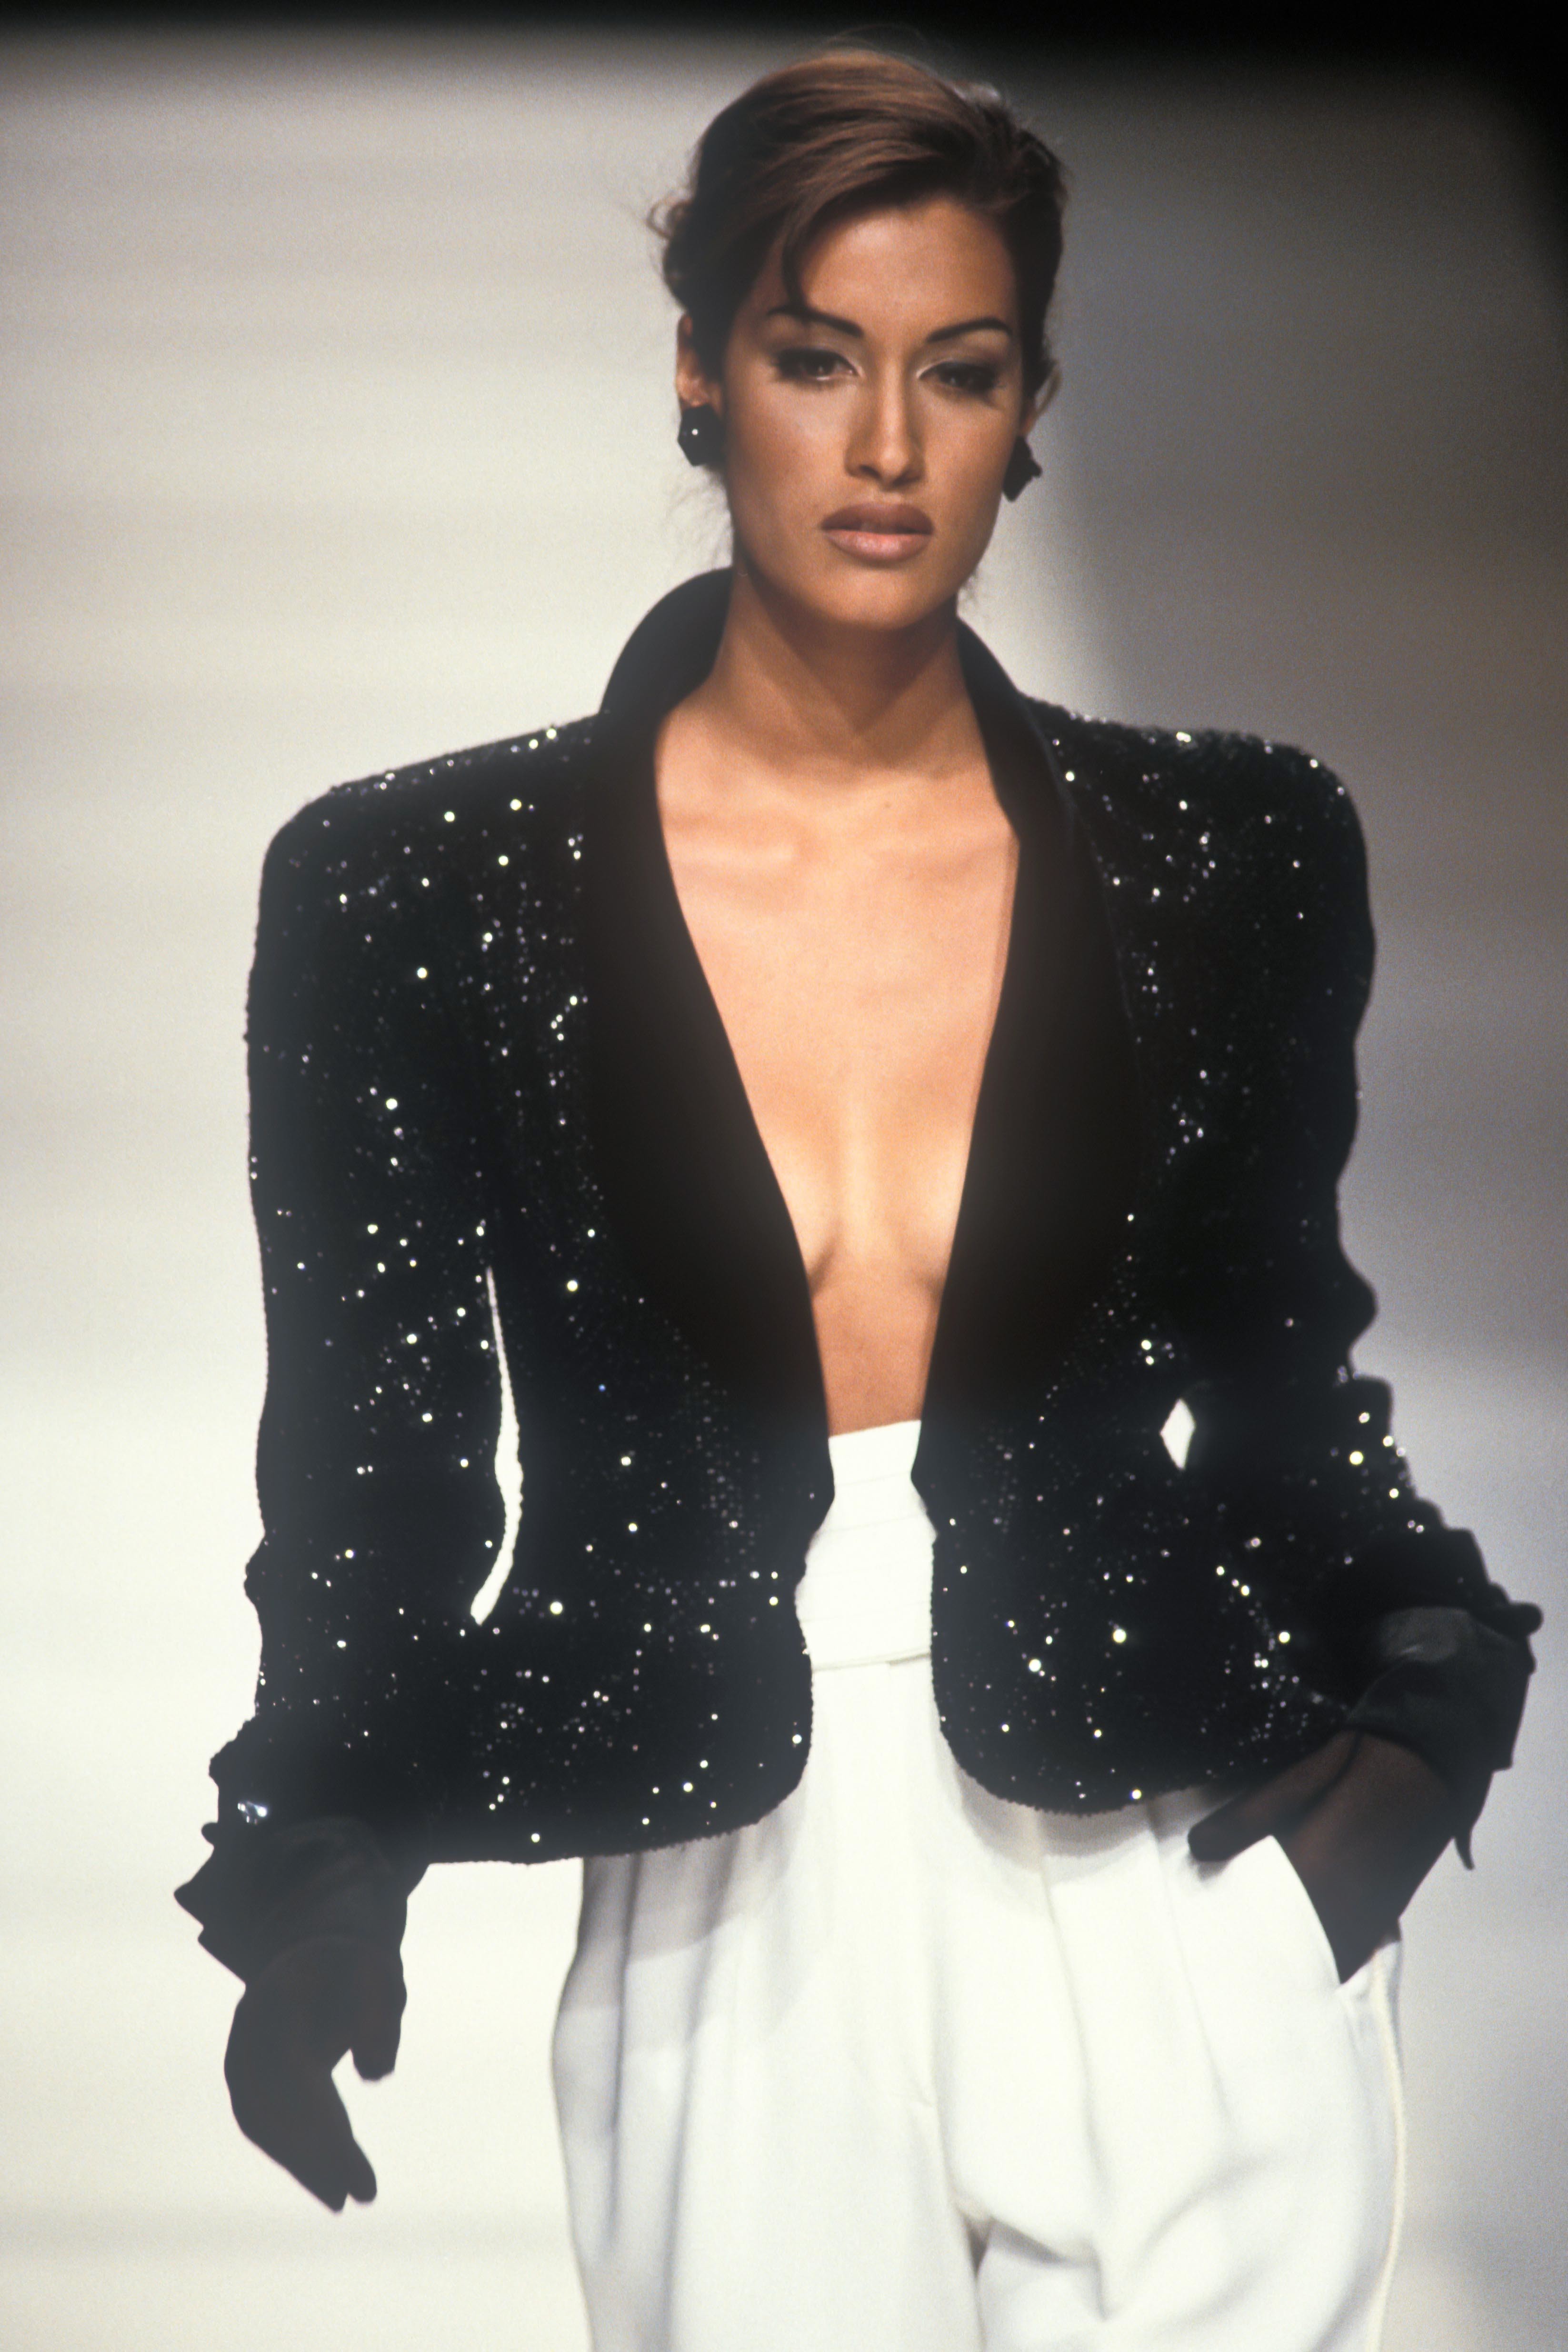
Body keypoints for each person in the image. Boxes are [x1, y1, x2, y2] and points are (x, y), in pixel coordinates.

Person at [178, 49, 1539, 2352]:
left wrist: (1406, 1750)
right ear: (700, 374)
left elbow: (1279, 1360)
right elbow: (373, 1460)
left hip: (1165, 1866)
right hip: (726, 1899)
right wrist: (317, 1867)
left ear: (1029, 406)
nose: (889, 445)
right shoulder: (419, 888)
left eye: (960, 370)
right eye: (818, 358)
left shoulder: (1218, 852)